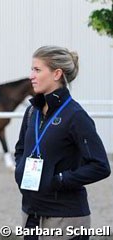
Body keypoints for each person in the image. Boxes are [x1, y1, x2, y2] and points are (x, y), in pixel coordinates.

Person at [14, 45, 111, 240]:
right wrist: (21, 168)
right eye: (32, 69)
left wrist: (58, 180)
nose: (31, 75)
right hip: (30, 215)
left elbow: (100, 166)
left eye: (37, 70)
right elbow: (21, 150)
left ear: (57, 73)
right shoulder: (32, 112)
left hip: (66, 219)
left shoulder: (75, 116)